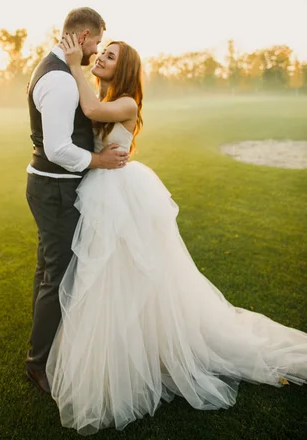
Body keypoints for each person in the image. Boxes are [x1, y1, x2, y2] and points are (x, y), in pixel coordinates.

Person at [45, 33, 307, 435]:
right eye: (103, 53)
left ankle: (149, 351)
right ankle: (131, 348)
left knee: (130, 272)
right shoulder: (103, 89)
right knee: (109, 275)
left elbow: (94, 110)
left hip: (120, 192)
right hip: (102, 188)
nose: (101, 59)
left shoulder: (126, 100)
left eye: (109, 56)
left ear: (124, 68)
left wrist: (76, 65)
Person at [25, 8, 129, 393]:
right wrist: (99, 160)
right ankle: (38, 363)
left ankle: (41, 344)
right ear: (84, 35)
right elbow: (57, 148)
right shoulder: (60, 78)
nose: (97, 49)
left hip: (51, 186)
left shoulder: (60, 70)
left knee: (47, 268)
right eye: (98, 42)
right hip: (55, 188)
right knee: (57, 275)